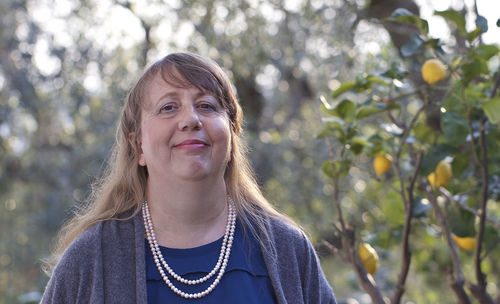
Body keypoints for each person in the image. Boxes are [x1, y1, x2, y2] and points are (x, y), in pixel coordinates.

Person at [41, 52, 336, 303]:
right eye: (168, 107)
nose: (190, 120)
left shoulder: (288, 250)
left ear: (232, 138)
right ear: (138, 145)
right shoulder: (90, 260)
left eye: (206, 106)